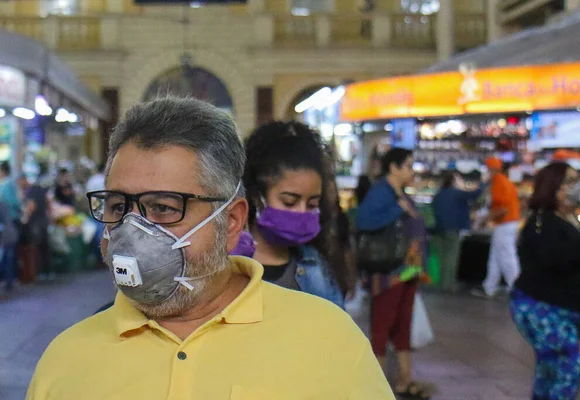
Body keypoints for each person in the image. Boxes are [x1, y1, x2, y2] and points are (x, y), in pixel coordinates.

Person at [27, 97, 394, 399]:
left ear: (231, 221)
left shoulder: (330, 340)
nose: (130, 231)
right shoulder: (65, 360)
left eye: (164, 208)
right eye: (118, 206)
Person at [511, 162, 580, 399]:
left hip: (559, 308)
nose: (575, 187)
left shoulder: (568, 219)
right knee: (566, 372)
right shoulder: (543, 222)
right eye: (569, 182)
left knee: (549, 371)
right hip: (543, 308)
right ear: (553, 187)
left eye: (576, 181)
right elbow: (555, 258)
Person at [243, 121, 346, 308]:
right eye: (289, 202)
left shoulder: (315, 266)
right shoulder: (227, 265)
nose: (301, 213)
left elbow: (340, 330)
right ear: (258, 197)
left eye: (312, 204)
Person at [356, 148, 430, 400]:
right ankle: (376, 386)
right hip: (388, 272)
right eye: (408, 165)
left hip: (408, 270)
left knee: (403, 325)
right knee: (382, 324)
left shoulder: (399, 193)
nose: (412, 170)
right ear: (393, 168)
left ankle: (404, 380)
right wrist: (395, 210)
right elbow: (364, 221)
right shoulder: (381, 192)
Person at [472, 157, 520, 298]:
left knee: (506, 257)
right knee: (496, 258)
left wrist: (484, 220)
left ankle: (516, 289)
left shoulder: (498, 181)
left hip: (505, 223)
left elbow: (502, 209)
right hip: (506, 223)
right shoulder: (503, 180)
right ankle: (489, 287)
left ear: (491, 169)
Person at [432, 171, 485, 292]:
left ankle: (442, 283)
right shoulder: (456, 193)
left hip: (438, 229)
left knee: (443, 257)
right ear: (453, 181)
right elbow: (475, 194)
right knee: (452, 257)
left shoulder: (439, 194)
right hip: (453, 228)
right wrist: (483, 183)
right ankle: (449, 285)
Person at [18, 175, 51, 282]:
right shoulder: (40, 189)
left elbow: (31, 207)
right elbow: (48, 202)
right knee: (45, 247)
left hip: (36, 224)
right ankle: (48, 272)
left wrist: (25, 216)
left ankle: (40, 272)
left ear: (24, 180)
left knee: (35, 249)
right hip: (43, 221)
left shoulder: (31, 191)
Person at [0, 162, 21, 291]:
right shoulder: (8, 185)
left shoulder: (5, 185)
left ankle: (9, 279)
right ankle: (9, 279)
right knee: (10, 251)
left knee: (8, 251)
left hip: (6, 222)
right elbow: (15, 202)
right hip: (10, 221)